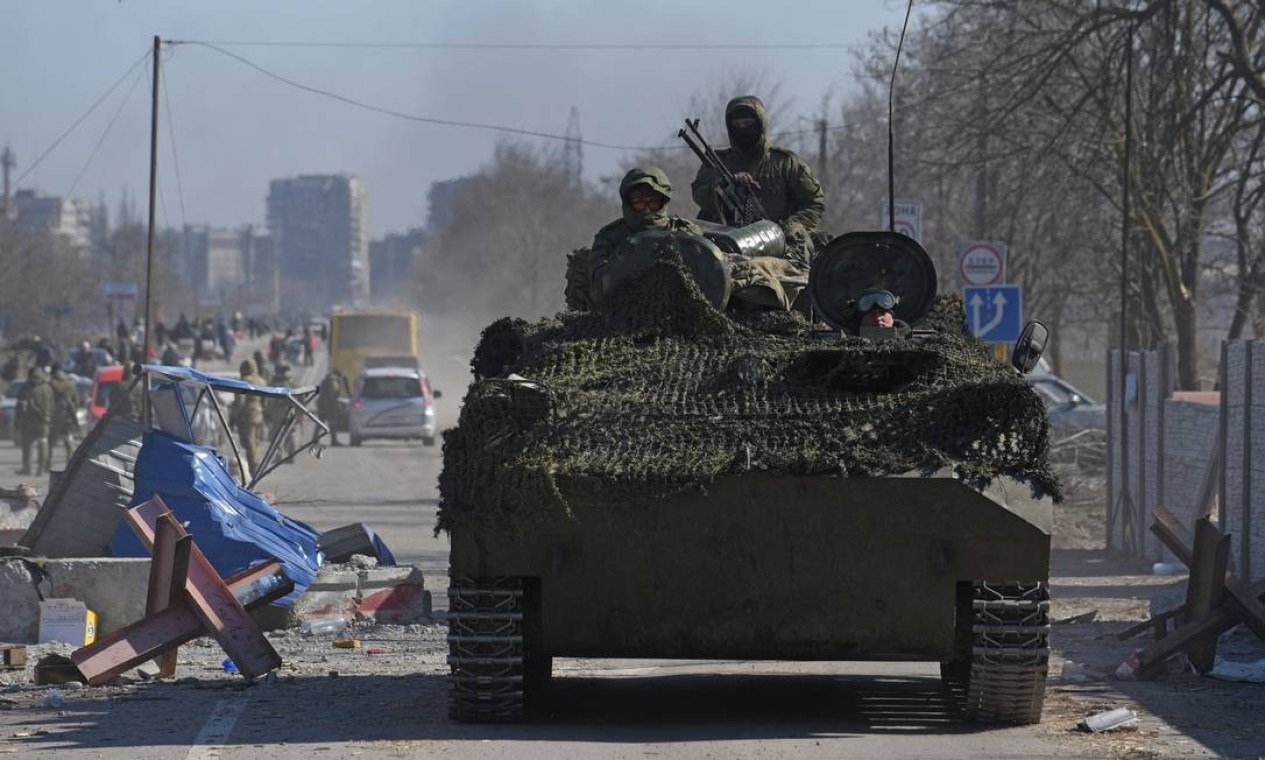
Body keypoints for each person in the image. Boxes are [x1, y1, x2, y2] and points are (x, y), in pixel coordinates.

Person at [690, 95, 826, 268]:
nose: (742, 129)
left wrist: (786, 231)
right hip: (725, 247)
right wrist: (723, 186)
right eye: (737, 125)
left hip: (778, 250)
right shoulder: (717, 162)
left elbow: (814, 203)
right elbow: (701, 197)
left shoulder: (785, 163)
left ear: (760, 124)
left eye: (748, 123)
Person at [565, 166, 702, 311]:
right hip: (620, 315)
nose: (647, 209)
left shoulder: (685, 232)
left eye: (653, 202)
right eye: (639, 203)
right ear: (628, 202)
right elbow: (600, 286)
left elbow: (708, 278)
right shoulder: (610, 237)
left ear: (664, 200)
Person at [231, 359, 268, 478]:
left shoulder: (244, 382)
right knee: (256, 442)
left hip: (247, 415)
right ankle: (256, 464)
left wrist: (235, 417)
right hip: (259, 413)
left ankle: (254, 469)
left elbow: (240, 401)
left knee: (249, 443)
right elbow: (266, 401)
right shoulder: (262, 381)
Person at [16, 367, 54, 476]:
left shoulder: (27, 388)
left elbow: (21, 406)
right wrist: (50, 418)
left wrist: (18, 423)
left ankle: (27, 468)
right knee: (43, 443)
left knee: (27, 446)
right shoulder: (48, 388)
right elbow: (52, 406)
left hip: (29, 422)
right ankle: (41, 469)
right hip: (44, 421)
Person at [266, 364, 302, 462]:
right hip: (292, 411)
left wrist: (267, 413)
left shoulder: (276, 383)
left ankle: (279, 456)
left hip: (279, 411)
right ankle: (292, 455)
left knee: (277, 435)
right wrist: (299, 412)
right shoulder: (295, 384)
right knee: (292, 434)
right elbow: (302, 397)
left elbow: (269, 400)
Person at [47, 366, 81, 468]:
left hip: (55, 417)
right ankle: (70, 462)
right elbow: (76, 401)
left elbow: (49, 401)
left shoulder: (50, 384)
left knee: (51, 441)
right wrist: (73, 409)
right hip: (69, 416)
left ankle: (47, 462)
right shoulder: (70, 383)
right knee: (69, 439)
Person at [317, 368, 351, 446]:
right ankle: (333, 441)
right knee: (329, 424)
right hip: (327, 406)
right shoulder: (332, 381)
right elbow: (332, 395)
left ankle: (330, 440)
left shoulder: (329, 380)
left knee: (322, 424)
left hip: (325, 405)